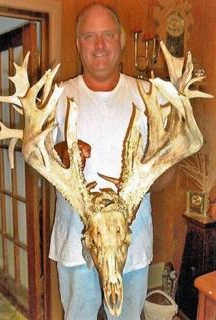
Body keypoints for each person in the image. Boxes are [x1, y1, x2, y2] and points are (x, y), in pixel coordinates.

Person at [49, 3, 172, 320]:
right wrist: (64, 153)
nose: (99, 45)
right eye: (89, 36)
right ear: (78, 44)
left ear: (120, 40)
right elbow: (40, 167)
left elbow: (166, 180)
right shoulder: (58, 97)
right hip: (76, 246)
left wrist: (153, 166)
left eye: (107, 35)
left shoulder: (148, 96)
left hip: (130, 246)